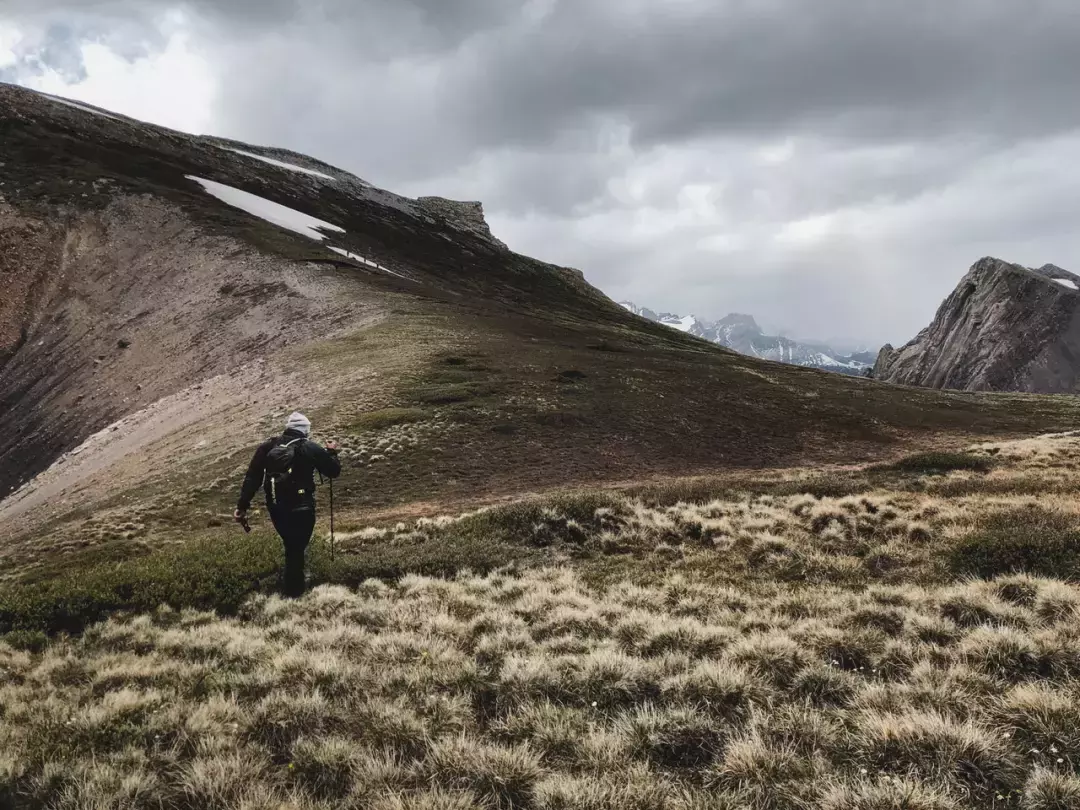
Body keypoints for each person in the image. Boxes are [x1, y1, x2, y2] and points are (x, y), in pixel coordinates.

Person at [234, 412, 341, 597]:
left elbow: (253, 477)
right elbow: (333, 471)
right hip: (303, 507)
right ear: (305, 430)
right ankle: (295, 593)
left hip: (277, 508)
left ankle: (292, 589)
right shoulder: (308, 447)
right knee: (296, 548)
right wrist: (331, 451)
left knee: (291, 546)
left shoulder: (268, 446)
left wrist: (242, 506)